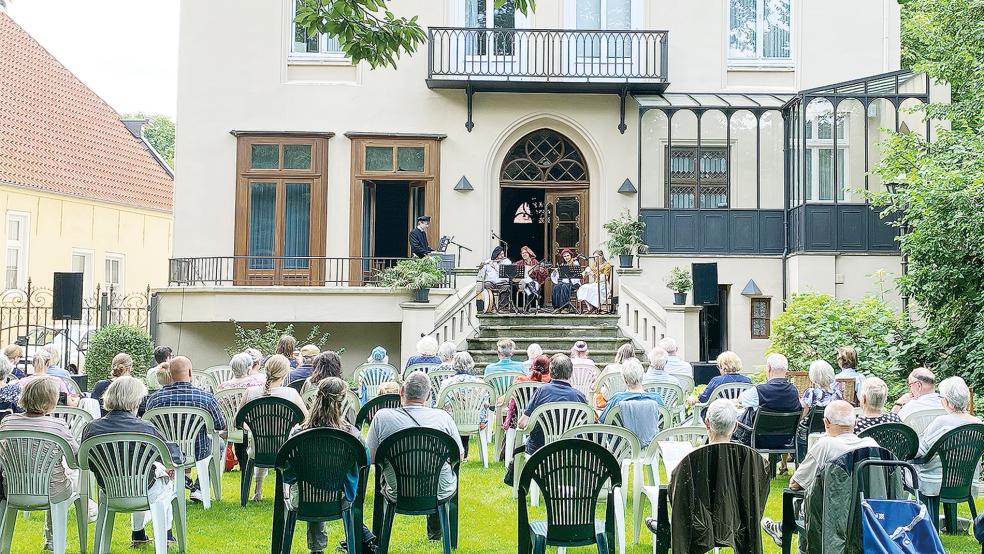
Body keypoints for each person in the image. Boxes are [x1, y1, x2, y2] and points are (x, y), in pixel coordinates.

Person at [761, 401, 878, 548]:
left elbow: (795, 483)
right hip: (868, 517)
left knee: (805, 501)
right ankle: (781, 528)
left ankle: (784, 530)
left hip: (829, 520)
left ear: (826, 422)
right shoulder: (872, 445)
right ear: (855, 422)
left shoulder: (825, 445)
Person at [83, 376, 184, 547]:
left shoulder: (91, 428)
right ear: (136, 400)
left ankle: (138, 535)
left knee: (143, 472)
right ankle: (166, 535)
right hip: (144, 489)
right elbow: (174, 457)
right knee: (162, 480)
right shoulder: (146, 428)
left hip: (109, 489)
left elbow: (84, 461)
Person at [366, 371, 463, 542]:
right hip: (438, 490)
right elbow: (459, 456)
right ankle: (437, 534)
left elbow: (371, 458)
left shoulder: (382, 417)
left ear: (401, 391)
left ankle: (380, 536)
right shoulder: (443, 418)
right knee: (438, 472)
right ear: (429, 395)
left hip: (397, 490)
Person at [0, 377, 95, 549]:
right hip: (52, 490)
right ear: (51, 400)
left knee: (55, 477)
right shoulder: (58, 425)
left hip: (13, 488)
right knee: (62, 479)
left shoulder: (8, 422)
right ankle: (54, 540)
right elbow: (76, 461)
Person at [288, 377, 377, 553]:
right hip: (341, 496)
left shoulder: (298, 433)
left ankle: (317, 549)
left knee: (309, 487)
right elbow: (365, 460)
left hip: (305, 497)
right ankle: (359, 538)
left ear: (316, 397)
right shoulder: (352, 434)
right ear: (343, 402)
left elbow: (287, 467)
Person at [145, 356, 227, 503]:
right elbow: (220, 424)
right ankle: (199, 488)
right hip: (198, 451)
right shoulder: (205, 398)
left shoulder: (154, 399)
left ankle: (181, 484)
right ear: (190, 372)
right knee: (219, 444)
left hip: (166, 451)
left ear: (170, 373)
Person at [245, 354, 309, 501]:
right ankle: (288, 492)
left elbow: (239, 420)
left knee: (258, 444)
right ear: (286, 373)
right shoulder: (291, 394)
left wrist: (253, 429)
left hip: (257, 447)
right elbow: (306, 419)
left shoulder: (251, 392)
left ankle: (257, 491)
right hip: (286, 448)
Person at [913, 376, 980, 499]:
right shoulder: (978, 424)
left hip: (936, 482)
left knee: (903, 469)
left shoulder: (942, 422)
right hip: (967, 483)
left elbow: (920, 451)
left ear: (947, 401)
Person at [518, 354, 586, 455]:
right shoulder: (579, 396)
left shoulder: (541, 391)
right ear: (571, 373)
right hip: (569, 450)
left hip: (539, 450)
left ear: (550, 371)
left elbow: (522, 423)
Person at [734, 353, 801, 448]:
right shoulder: (794, 391)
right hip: (785, 439)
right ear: (786, 370)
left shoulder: (759, 391)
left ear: (769, 368)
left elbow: (740, 400)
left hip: (757, 439)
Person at [599, 360, 665, 447]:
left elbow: (604, 421)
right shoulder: (656, 399)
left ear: (624, 379)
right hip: (650, 447)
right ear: (642, 377)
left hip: (621, 448)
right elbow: (663, 423)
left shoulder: (617, 399)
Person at [438, 352, 487, 457]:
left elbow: (440, 404)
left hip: (452, 420)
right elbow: (485, 404)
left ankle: (457, 452)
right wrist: (483, 420)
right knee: (467, 411)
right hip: (473, 420)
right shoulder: (480, 383)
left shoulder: (447, 383)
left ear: (454, 364)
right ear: (471, 364)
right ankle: (464, 453)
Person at [478, 245, 512, 312]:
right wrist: (481, 268)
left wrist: (495, 266)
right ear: (496, 255)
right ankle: (491, 306)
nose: (502, 256)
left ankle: (503, 308)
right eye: (500, 254)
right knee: (486, 284)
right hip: (491, 283)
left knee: (506, 286)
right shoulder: (488, 261)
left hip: (503, 282)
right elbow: (482, 275)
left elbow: (505, 273)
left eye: (503, 254)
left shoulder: (507, 261)